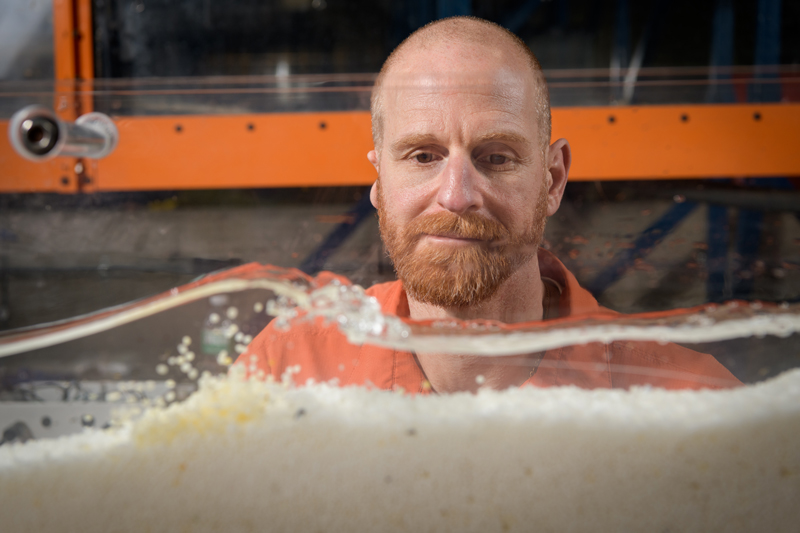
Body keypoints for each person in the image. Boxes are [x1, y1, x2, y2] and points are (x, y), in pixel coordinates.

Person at [238, 16, 741, 393]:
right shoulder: (288, 365)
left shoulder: (687, 401)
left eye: (496, 157)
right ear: (379, 180)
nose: (457, 195)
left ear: (553, 179)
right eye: (422, 156)